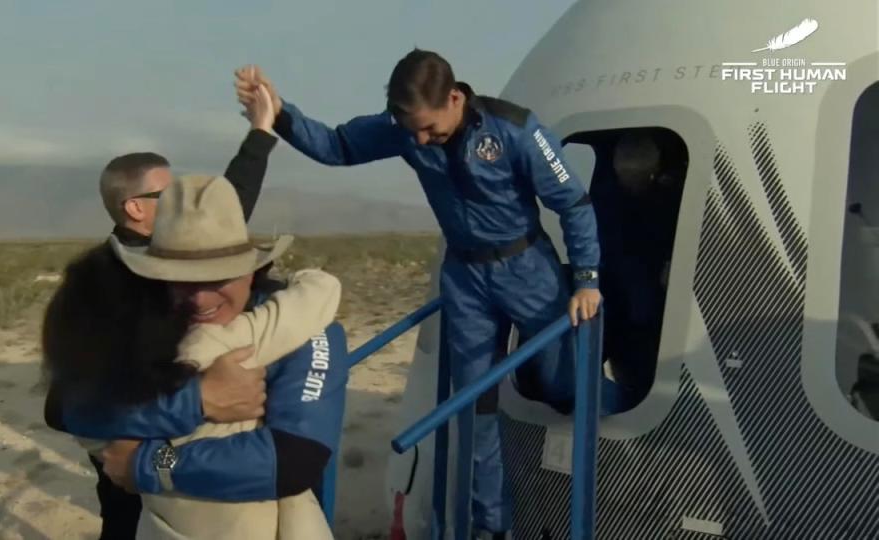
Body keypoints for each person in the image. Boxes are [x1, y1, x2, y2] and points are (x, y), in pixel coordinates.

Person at [235, 50, 602, 540]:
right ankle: (492, 527)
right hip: (466, 278)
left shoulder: (514, 129)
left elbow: (573, 202)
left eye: (430, 129)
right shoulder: (404, 128)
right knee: (476, 409)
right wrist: (280, 114)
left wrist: (587, 278)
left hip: (528, 269)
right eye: (413, 132)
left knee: (563, 385)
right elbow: (338, 146)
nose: (421, 140)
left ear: (454, 97)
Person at [42, 81, 348, 538]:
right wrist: (197, 399)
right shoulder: (139, 311)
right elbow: (70, 407)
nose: (201, 297)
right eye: (181, 279)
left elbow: (291, 459)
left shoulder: (299, 326)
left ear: (252, 268)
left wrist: (149, 460)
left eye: (219, 275)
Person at [590, 130, 684, 408]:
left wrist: (670, 261)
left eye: (638, 177)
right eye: (626, 177)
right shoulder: (607, 198)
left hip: (648, 279)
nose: (631, 183)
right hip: (619, 276)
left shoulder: (668, 198)